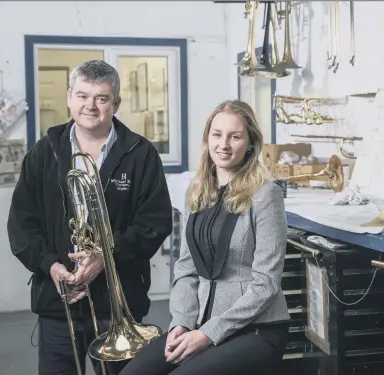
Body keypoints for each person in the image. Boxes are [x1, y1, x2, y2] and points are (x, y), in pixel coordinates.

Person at [7, 60, 173, 375]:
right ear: (69, 97)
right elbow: (21, 225)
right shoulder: (42, 154)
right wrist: (52, 267)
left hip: (119, 302)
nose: (90, 106)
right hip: (59, 303)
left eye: (101, 98)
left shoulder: (141, 153)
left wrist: (106, 255)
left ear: (116, 103)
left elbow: (155, 222)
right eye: (82, 96)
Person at [120, 99, 290, 375]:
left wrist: (209, 333)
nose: (223, 145)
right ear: (207, 138)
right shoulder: (198, 192)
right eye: (217, 134)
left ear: (249, 144)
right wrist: (181, 323)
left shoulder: (265, 195)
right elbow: (186, 268)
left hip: (256, 330)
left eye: (235, 137)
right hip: (199, 324)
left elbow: (267, 284)